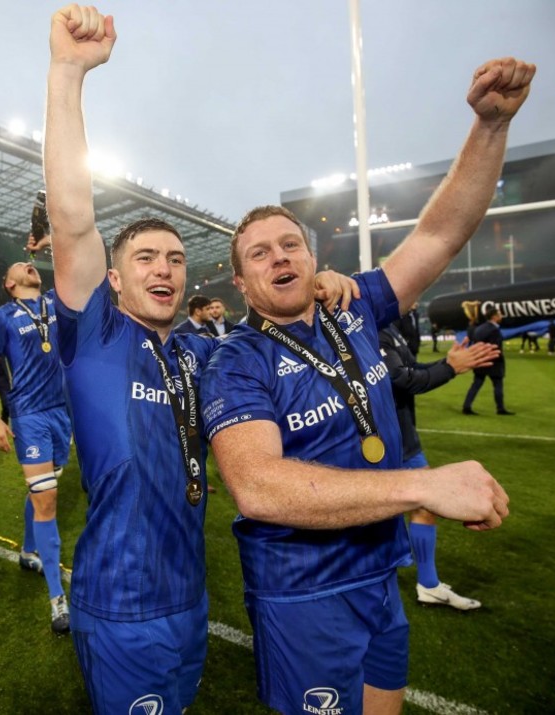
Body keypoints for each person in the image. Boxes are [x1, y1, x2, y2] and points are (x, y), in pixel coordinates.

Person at [42, 6, 355, 712]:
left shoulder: (193, 349)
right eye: (146, 258)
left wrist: (320, 284)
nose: (165, 269)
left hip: (190, 599)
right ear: (115, 280)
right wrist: (67, 74)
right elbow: (71, 217)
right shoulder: (97, 336)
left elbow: (269, 325)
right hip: (121, 606)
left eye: (177, 260)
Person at [202, 54, 534, 715]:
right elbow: (258, 485)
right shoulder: (236, 361)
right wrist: (421, 484)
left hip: (378, 573)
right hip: (304, 593)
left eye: (290, 243)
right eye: (260, 254)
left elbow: (439, 233)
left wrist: (490, 127)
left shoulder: (353, 305)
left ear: (313, 256)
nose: (280, 257)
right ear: (241, 283)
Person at [0, 255, 72, 635]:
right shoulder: (2, 317)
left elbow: (73, 263)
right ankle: (56, 599)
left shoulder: (55, 301)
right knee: (47, 501)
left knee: (44, 490)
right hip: (29, 415)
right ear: (9, 283)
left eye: (29, 262)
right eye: (18, 266)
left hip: (61, 414)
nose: (26, 265)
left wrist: (49, 243)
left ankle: (28, 551)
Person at [379, 323, 500, 610]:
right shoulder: (372, 327)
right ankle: (418, 584)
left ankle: (428, 585)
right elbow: (400, 379)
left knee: (422, 507)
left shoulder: (389, 327)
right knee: (384, 512)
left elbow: (410, 368)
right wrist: (449, 367)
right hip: (388, 436)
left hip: (403, 432)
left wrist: (449, 363)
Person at [462, 307, 514, 415]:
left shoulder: (480, 328)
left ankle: (466, 406)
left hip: (480, 361)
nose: (501, 316)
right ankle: (500, 408)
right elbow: (496, 348)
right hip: (493, 362)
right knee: (498, 385)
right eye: (499, 314)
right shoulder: (494, 330)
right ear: (494, 316)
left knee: (476, 384)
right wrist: (499, 359)